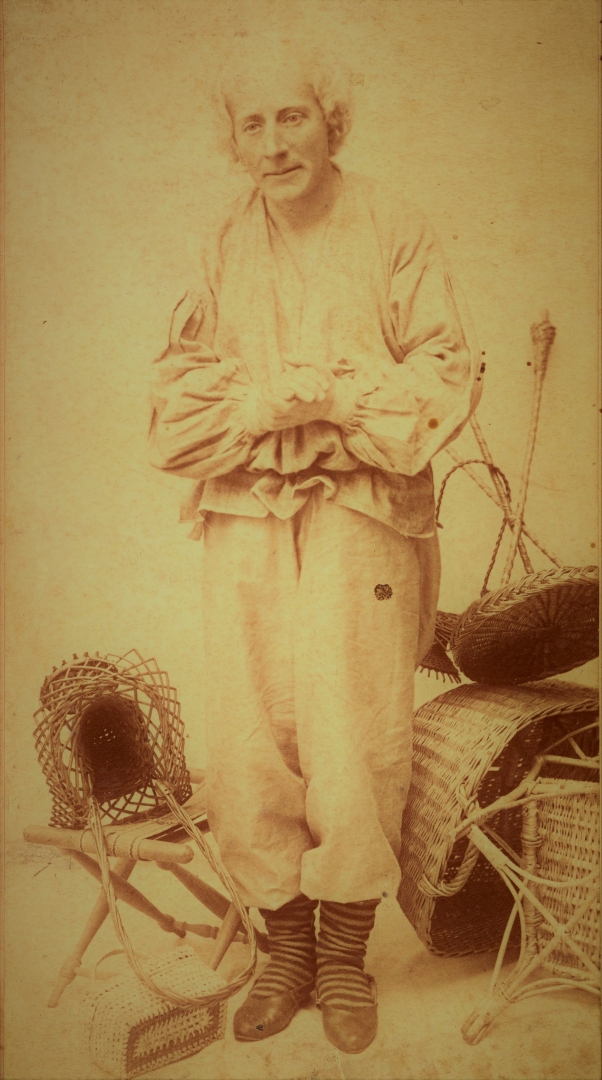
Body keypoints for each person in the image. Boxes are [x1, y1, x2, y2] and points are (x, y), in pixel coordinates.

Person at [149, 39, 481, 1055]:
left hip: (359, 522)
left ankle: (342, 955)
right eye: (251, 124)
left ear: (330, 121)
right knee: (251, 738)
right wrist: (259, 408)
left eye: (291, 116)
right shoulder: (218, 244)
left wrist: (334, 397)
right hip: (245, 522)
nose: (273, 142)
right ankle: (284, 949)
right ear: (232, 140)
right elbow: (174, 409)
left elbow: (443, 373)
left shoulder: (393, 226)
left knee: (354, 733)